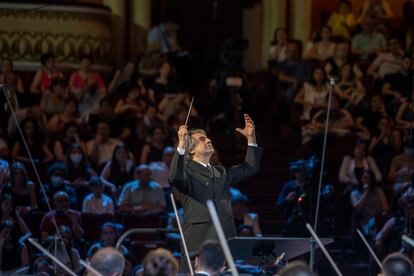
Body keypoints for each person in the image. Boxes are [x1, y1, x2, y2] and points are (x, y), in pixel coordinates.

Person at [169, 113, 262, 269]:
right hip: (199, 239)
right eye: (202, 139)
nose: (208, 140)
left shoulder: (222, 172)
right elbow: (175, 176)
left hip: (225, 237)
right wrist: (181, 146)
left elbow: (250, 168)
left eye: (207, 138)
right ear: (191, 151)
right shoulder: (187, 171)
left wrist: (251, 139)